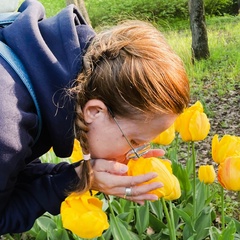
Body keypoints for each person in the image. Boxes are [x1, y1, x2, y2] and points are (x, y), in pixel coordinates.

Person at [0, 0, 189, 234]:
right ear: (95, 111)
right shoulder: (7, 119)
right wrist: (75, 181)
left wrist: (82, 177)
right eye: (135, 142)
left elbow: (15, 174)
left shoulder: (43, 74)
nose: (133, 154)